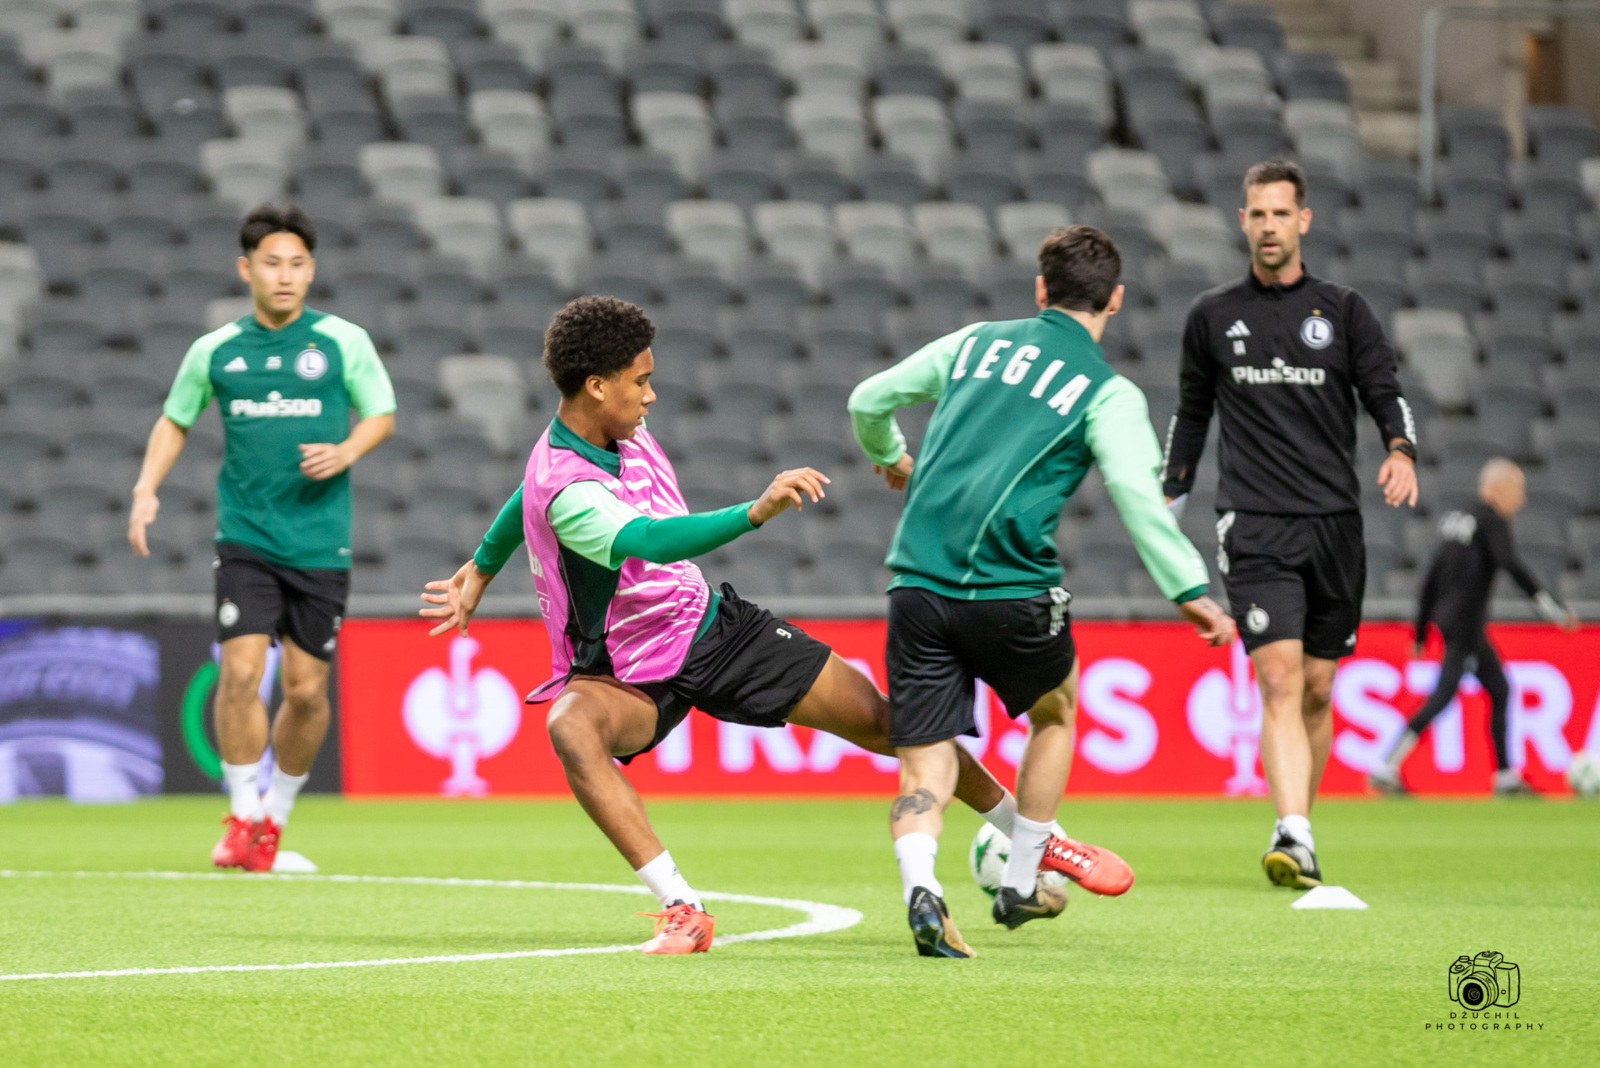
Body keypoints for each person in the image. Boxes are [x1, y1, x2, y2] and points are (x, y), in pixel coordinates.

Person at [420, 295, 1057, 956]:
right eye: (640, 381)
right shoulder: (571, 489)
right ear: (596, 386)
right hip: (628, 673)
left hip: (712, 629)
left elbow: (525, 490)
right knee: (571, 727)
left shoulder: (612, 429)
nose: (652, 395)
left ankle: (1033, 835)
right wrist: (754, 512)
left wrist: (482, 566)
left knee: (894, 723)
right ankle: (682, 907)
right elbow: (651, 539)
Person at [849, 225, 1235, 958]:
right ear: (1116, 300)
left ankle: (920, 886)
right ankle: (1022, 877)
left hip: (917, 585)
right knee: (1055, 712)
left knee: (926, 761)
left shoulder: (975, 343)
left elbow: (868, 398)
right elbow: (1133, 490)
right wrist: (1188, 588)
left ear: (1039, 290)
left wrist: (892, 457)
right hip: (1011, 589)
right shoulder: (1107, 392)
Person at [1160, 159, 1420, 890]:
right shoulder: (1213, 315)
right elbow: (1191, 412)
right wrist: (1172, 491)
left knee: (1316, 689)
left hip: (1335, 524)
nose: (1269, 226)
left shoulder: (1344, 310)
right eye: (1257, 214)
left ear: (1303, 220)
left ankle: (1301, 815)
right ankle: (1292, 831)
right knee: (1277, 679)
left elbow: (1385, 393)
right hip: (1255, 523)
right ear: (1243, 221)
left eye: (1281, 213)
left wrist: (1401, 450)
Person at [128, 204, 396, 872]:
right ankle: (241, 816)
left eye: (298, 263)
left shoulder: (342, 341)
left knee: (306, 691)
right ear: (246, 269)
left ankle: (273, 820)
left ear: (312, 270)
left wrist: (346, 450)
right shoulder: (216, 350)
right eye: (272, 263)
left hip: (320, 543)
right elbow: (174, 419)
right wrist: (145, 488)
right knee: (242, 671)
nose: (285, 276)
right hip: (245, 536)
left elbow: (382, 411)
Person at [1370, 459, 1578, 796]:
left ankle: (1506, 777)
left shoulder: (1456, 520)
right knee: (1443, 695)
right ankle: (1384, 767)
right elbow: (1511, 564)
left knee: (1499, 689)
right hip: (1466, 624)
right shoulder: (1490, 520)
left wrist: (1422, 630)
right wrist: (1553, 610)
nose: (1521, 501)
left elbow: (1431, 577)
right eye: (1518, 491)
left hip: (1453, 620)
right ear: (1500, 488)